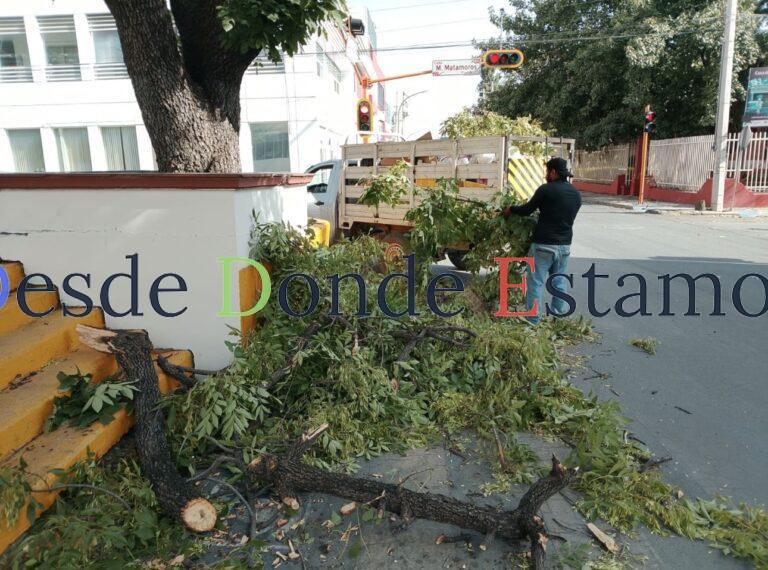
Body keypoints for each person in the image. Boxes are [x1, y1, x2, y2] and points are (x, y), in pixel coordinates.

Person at [502, 157, 581, 324]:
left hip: (543, 245)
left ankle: (532, 320)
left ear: (553, 172)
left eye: (547, 171)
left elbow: (527, 210)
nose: (546, 175)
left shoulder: (546, 190)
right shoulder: (576, 194)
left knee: (535, 283)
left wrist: (511, 209)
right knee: (559, 282)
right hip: (564, 246)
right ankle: (559, 318)